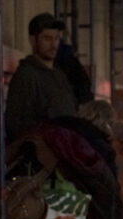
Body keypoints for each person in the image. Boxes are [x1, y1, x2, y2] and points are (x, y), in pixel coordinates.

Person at [5, 12, 77, 143]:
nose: (54, 45)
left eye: (56, 38)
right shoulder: (26, 76)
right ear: (33, 40)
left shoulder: (60, 76)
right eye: (47, 38)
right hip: (44, 156)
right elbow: (16, 124)